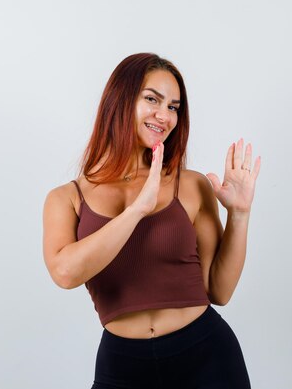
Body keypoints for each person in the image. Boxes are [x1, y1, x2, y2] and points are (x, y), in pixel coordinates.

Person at [42, 52, 261, 388]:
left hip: (206, 357)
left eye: (173, 107)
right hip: (123, 366)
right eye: (152, 100)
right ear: (120, 100)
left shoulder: (190, 185)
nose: (164, 115)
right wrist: (136, 211)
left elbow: (219, 290)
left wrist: (240, 214)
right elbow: (66, 273)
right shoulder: (66, 198)